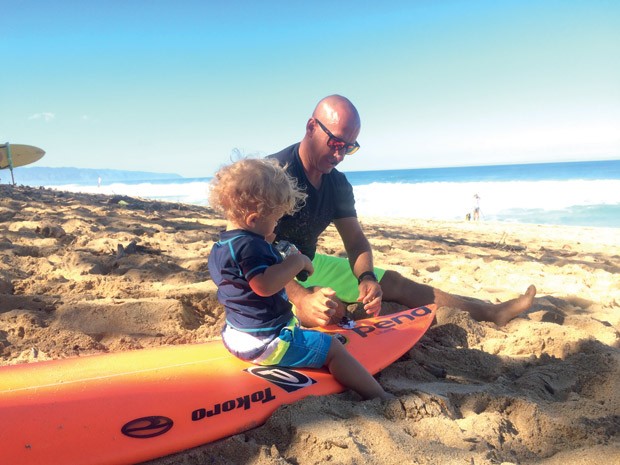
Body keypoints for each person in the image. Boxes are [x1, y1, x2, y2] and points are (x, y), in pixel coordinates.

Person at [268, 94, 536, 328]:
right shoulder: (273, 174)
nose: (339, 156)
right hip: (262, 272)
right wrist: (301, 297)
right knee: (329, 306)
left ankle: (491, 312)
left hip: (305, 263)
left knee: (392, 282)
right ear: (312, 126)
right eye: (336, 143)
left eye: (349, 148)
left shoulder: (336, 184)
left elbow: (355, 241)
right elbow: (248, 249)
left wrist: (367, 278)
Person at [207, 158, 392, 400]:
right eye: (274, 219)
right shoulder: (252, 248)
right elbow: (263, 286)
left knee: (299, 324)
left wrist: (267, 245)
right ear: (253, 219)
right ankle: (380, 396)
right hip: (266, 342)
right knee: (334, 350)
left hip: (236, 336)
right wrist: (297, 262)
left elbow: (239, 282)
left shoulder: (223, 246)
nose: (276, 225)